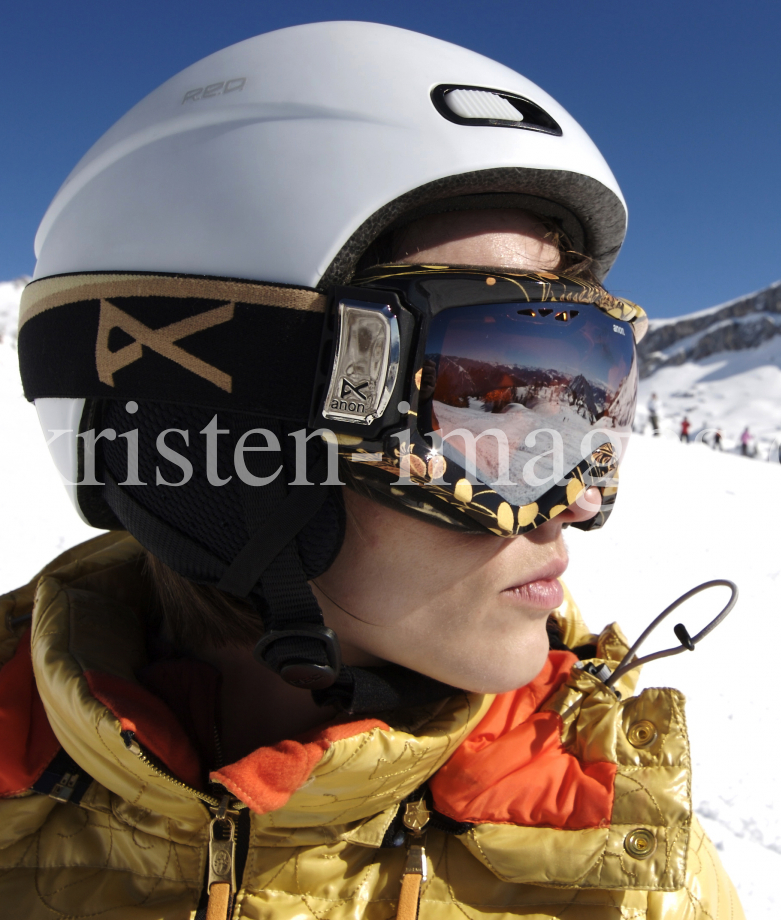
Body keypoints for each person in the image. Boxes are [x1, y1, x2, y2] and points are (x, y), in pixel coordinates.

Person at [1, 22, 743, 920]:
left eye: (593, 395)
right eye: (487, 398)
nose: (576, 501)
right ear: (202, 441)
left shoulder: (618, 864)